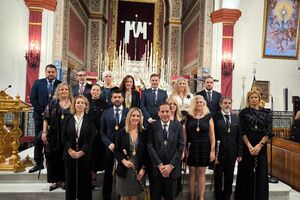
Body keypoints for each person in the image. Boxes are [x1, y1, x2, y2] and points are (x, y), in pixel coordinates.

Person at [234, 88, 273, 200]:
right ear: (248, 99)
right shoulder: (243, 113)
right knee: (246, 174)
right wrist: (250, 146)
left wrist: (259, 145)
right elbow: (242, 132)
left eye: (256, 97)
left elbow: (269, 131)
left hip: (261, 146)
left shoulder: (266, 113)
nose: (254, 99)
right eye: (251, 97)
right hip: (247, 147)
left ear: (259, 99)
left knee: (260, 174)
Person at [61, 95, 96, 200]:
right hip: (70, 155)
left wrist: (82, 151)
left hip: (84, 155)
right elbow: (63, 136)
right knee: (70, 181)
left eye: (82, 103)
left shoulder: (90, 119)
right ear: (74, 105)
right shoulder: (68, 119)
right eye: (77, 103)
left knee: (84, 182)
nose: (79, 104)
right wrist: (70, 150)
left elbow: (92, 137)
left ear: (86, 105)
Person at [147, 103, 184, 200]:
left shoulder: (178, 125)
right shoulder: (152, 126)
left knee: (170, 197)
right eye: (162, 111)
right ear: (158, 113)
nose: (165, 114)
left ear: (171, 112)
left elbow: (180, 147)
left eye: (167, 111)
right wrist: (159, 165)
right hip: (156, 169)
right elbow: (150, 146)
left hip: (172, 170)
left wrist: (170, 166)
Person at [29, 64, 61, 173]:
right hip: (39, 116)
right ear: (45, 72)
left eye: (53, 72)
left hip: (55, 118)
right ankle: (38, 163)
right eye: (49, 72)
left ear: (56, 73)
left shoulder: (60, 84)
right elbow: (33, 98)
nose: (51, 74)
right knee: (38, 140)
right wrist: (42, 111)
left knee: (52, 140)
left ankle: (50, 163)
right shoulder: (38, 83)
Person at [41, 83, 73, 191]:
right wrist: (44, 132)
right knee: (52, 157)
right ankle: (54, 180)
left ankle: (64, 180)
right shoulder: (52, 103)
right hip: (54, 134)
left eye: (66, 89)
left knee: (66, 157)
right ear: (58, 91)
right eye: (61, 89)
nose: (64, 91)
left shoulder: (73, 103)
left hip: (68, 135)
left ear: (69, 91)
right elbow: (46, 118)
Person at [185, 95, 215, 200]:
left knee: (201, 173)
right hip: (191, 146)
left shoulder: (208, 116)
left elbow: (212, 135)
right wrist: (185, 149)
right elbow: (185, 135)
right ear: (194, 103)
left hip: (204, 146)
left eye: (201, 102)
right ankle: (192, 196)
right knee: (192, 173)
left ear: (204, 104)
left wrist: (212, 151)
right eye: (197, 102)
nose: (199, 104)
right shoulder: (188, 116)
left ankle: (201, 197)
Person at [100, 89, 129, 200]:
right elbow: (102, 133)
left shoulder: (128, 112)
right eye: (115, 97)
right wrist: (109, 144)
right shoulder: (105, 112)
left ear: (123, 98)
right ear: (111, 99)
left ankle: (121, 196)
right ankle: (106, 196)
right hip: (109, 148)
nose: (117, 99)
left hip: (123, 149)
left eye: (119, 97)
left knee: (122, 174)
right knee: (108, 173)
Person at [213, 97, 243, 200]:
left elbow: (239, 137)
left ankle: (227, 196)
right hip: (219, 152)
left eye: (229, 103)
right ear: (221, 104)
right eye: (225, 103)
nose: (227, 105)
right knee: (218, 176)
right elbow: (212, 136)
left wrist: (239, 153)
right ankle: (218, 196)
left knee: (229, 176)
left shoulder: (236, 118)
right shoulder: (215, 118)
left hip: (232, 152)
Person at [114, 107, 147, 199]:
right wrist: (124, 161)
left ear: (140, 118)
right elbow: (116, 151)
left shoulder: (144, 133)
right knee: (124, 196)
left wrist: (143, 169)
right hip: (124, 169)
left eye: (138, 116)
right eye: (133, 115)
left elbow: (146, 154)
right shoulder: (121, 133)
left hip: (138, 169)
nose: (135, 118)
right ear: (129, 117)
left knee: (134, 195)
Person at [87, 84, 108, 188]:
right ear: (91, 91)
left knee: (96, 155)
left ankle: (94, 175)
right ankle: (88, 176)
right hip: (87, 134)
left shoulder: (105, 104)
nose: (95, 92)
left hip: (100, 134)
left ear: (100, 92)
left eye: (97, 90)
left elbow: (106, 119)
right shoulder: (86, 102)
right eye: (94, 90)